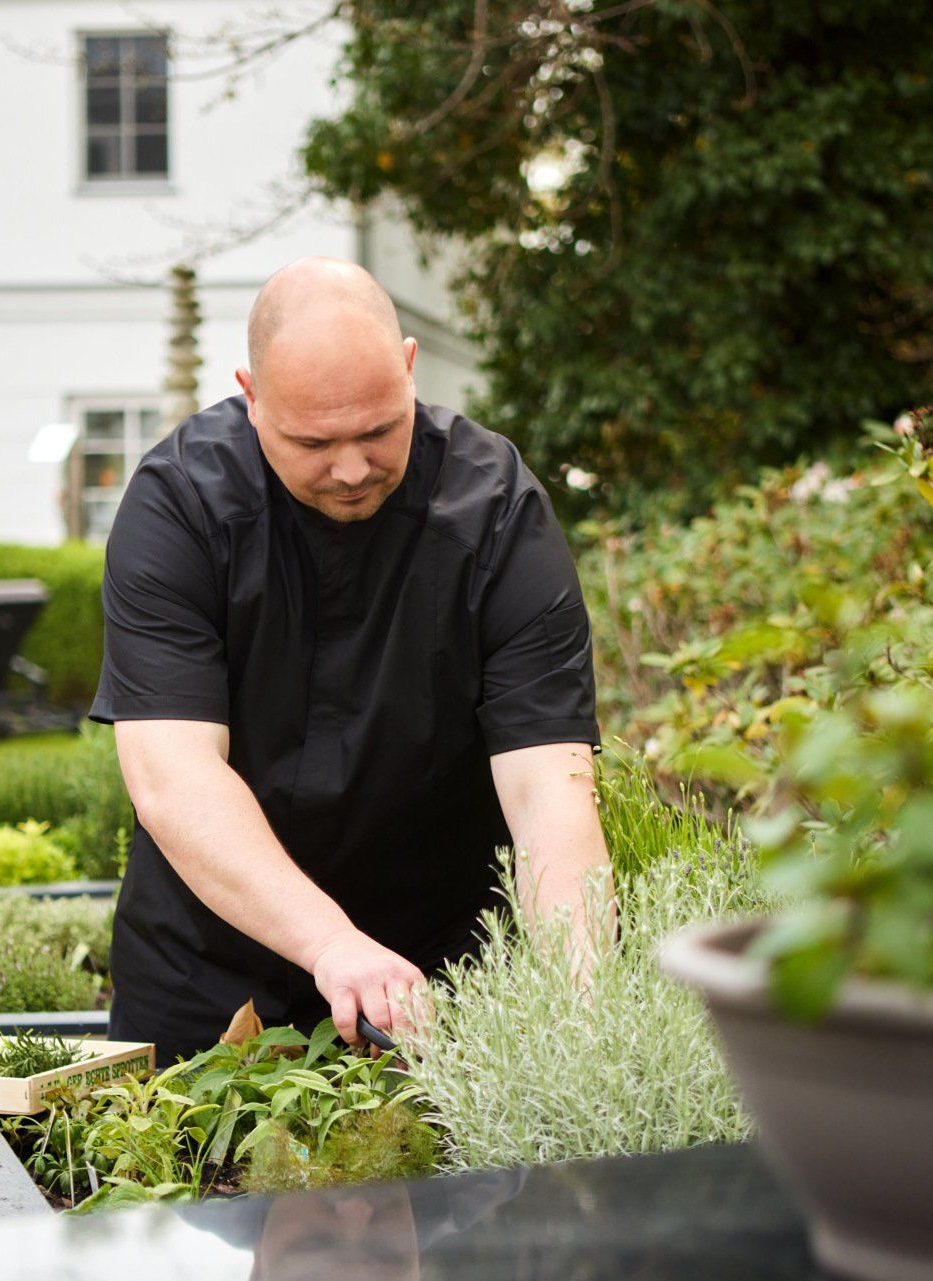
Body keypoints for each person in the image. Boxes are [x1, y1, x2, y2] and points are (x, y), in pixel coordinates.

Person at [90, 257, 609, 1063]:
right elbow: (172, 774)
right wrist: (331, 941)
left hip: (435, 974)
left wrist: (583, 1003)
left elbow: (551, 786)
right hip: (206, 969)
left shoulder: (499, 512)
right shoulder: (179, 505)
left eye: (378, 430)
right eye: (313, 441)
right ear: (250, 393)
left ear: (408, 368)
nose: (353, 469)